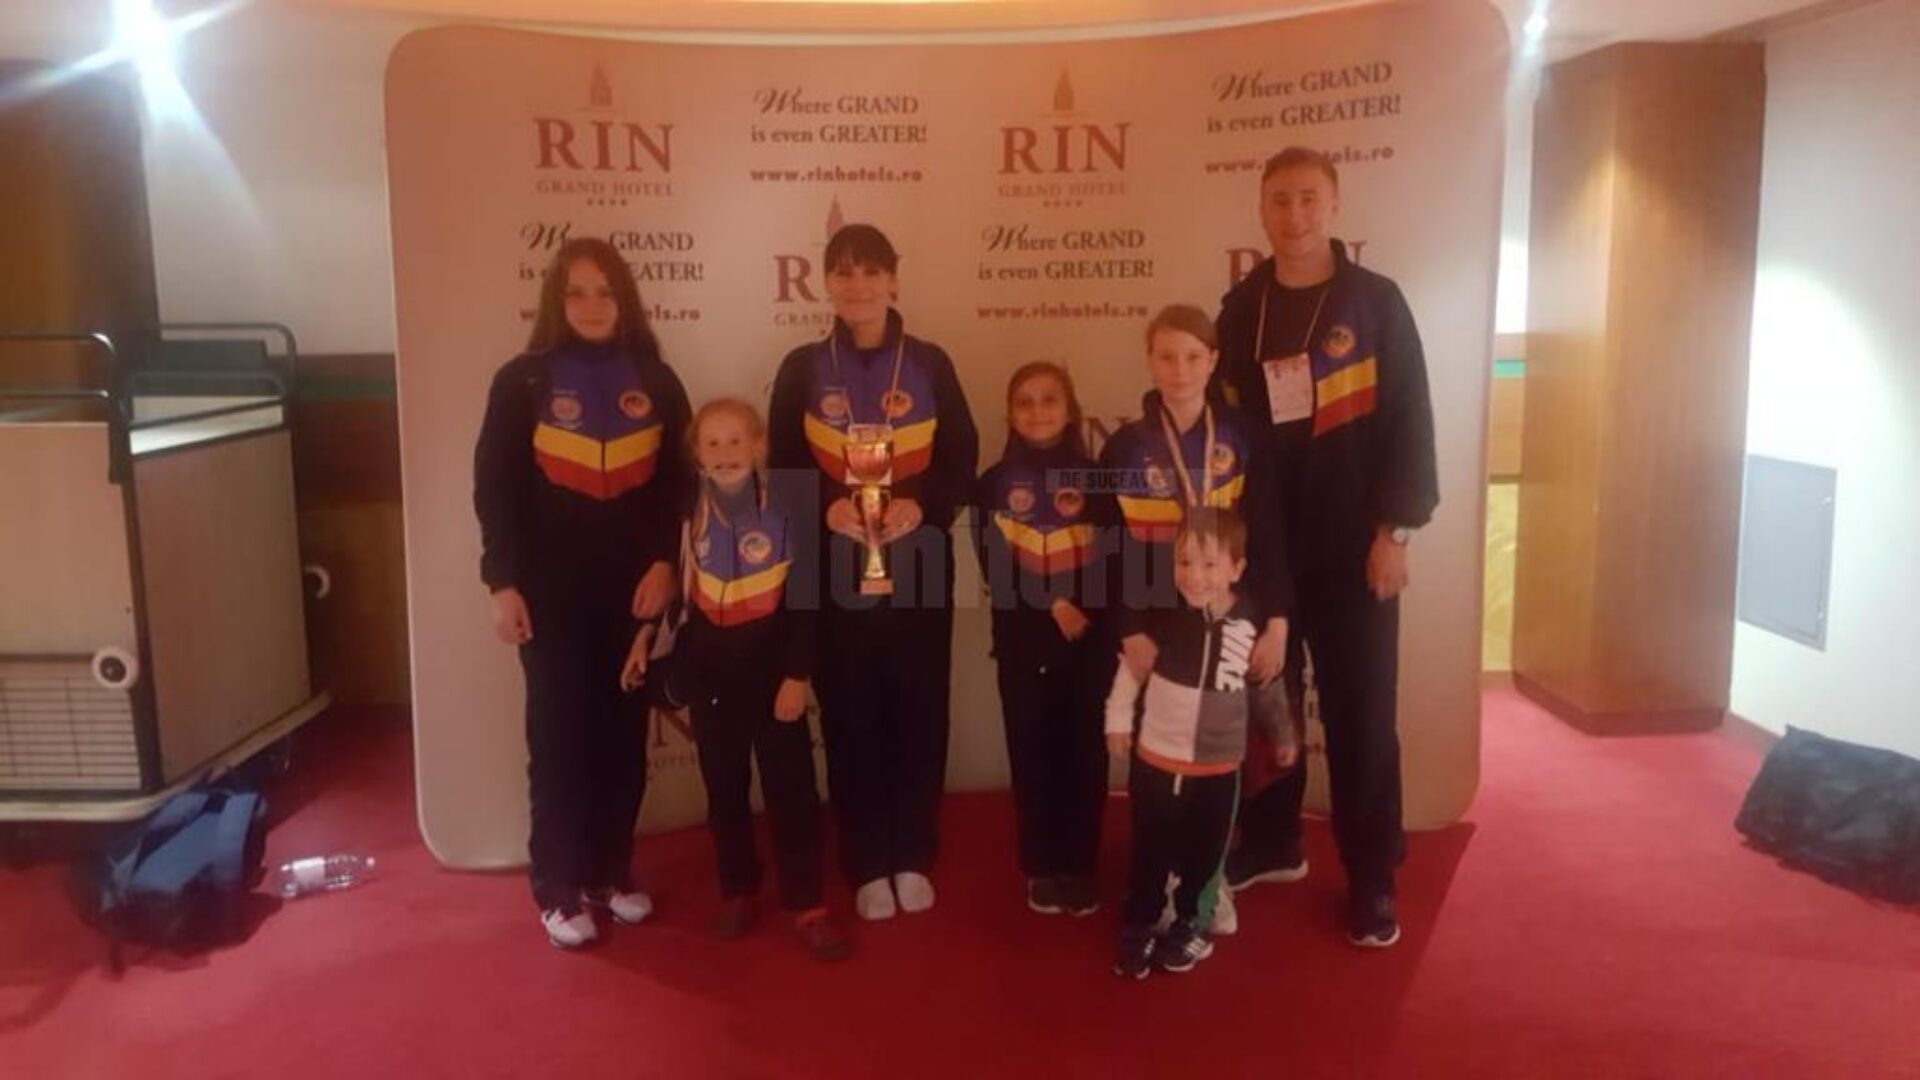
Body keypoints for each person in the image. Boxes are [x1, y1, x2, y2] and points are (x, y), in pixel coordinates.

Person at [1215, 145, 1440, 949]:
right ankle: (1275, 841)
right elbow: (1223, 437)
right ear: (1261, 210)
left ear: (1335, 205)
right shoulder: (1240, 309)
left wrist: (1394, 531)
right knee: (1268, 701)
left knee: (1362, 715)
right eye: (1279, 199)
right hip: (1268, 551)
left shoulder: (1376, 302)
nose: (1294, 214)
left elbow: (1410, 418)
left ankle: (1372, 874)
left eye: (1309, 197)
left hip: (1355, 549)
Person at [473, 236, 693, 949]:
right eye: (577, 292)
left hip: (633, 594)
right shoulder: (521, 381)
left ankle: (608, 873)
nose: (593, 304)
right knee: (560, 738)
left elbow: (677, 488)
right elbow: (495, 488)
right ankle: (558, 886)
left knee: (623, 739)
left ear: (625, 299)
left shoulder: (658, 381)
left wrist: (664, 566)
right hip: (549, 595)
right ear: (555, 301)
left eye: (605, 291)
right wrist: (502, 582)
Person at [768, 224, 979, 921]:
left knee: (920, 710)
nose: (857, 285)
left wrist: (925, 507)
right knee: (851, 712)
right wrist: (825, 510)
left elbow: (961, 457)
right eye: (843, 272)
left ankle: (913, 851)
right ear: (826, 283)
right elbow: (784, 468)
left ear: (893, 279)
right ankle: (864, 860)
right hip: (835, 568)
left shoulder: (930, 363)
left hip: (917, 563)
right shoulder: (801, 367)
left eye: (870, 271)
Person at [622, 398, 851, 961]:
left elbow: (808, 599)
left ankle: (807, 902)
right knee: (723, 787)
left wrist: (798, 674)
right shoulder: (683, 503)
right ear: (696, 453)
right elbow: (669, 585)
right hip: (710, 671)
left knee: (791, 789)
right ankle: (737, 889)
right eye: (712, 443)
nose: (725, 453)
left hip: (775, 672)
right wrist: (644, 636)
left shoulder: (791, 499)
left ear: (759, 445)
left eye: (735, 441)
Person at [1105, 508, 1297, 978]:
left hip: (1218, 769)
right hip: (1156, 760)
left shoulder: (1250, 620)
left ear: (1237, 568)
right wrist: (1117, 720)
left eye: (1210, 564)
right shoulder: (1161, 612)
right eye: (1185, 562)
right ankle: (1140, 922)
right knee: (1150, 847)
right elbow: (1131, 669)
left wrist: (1282, 733)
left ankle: (1192, 922)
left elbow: (1266, 685)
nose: (1194, 576)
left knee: (1205, 855)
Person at [972, 362, 1113, 918]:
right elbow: (993, 564)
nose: (1037, 411)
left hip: (1088, 641)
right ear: (1010, 414)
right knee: (1031, 754)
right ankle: (1040, 866)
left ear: (1070, 409)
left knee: (1085, 755)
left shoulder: (1097, 478)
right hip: (1023, 640)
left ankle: (1080, 866)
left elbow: (1113, 556)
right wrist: (1053, 603)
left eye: (1049, 399)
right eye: (1025, 401)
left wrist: (1083, 608)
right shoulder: (992, 483)